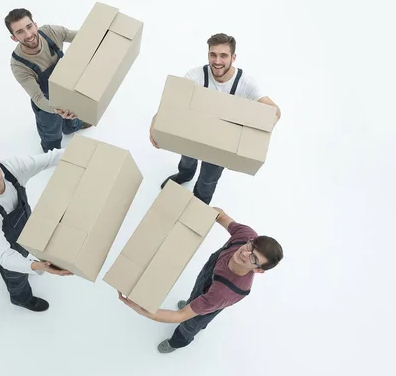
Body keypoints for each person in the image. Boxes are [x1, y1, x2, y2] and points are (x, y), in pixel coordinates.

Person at [118, 207, 283, 353]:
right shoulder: (246, 236)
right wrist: (196, 212)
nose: (245, 253)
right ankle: (194, 304)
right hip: (209, 278)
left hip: (215, 294)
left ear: (258, 270)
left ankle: (177, 342)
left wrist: (141, 309)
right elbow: (220, 215)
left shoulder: (223, 293)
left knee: (190, 324)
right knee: (195, 296)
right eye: (250, 247)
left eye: (253, 258)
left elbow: (180, 315)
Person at [149, 33, 282, 205]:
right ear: (208, 54)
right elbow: (172, 101)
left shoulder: (246, 83)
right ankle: (185, 175)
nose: (217, 61)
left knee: (207, 180)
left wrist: (260, 133)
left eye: (223, 56)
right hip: (193, 132)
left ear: (233, 57)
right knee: (187, 161)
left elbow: (274, 110)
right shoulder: (196, 75)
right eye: (213, 55)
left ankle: (198, 205)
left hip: (221, 144)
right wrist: (155, 122)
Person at [0, 145, 73, 312]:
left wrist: (86, 155)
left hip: (28, 231)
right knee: (15, 277)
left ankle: (26, 265)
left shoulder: (12, 168)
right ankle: (21, 299)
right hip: (9, 247)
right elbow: (5, 255)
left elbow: (52, 158)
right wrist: (39, 267)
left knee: (27, 257)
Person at [6, 8, 92, 153]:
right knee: (51, 133)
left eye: (29, 27)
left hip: (64, 85)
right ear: (14, 38)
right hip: (45, 101)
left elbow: (82, 37)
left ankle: (71, 127)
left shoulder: (52, 32)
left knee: (72, 117)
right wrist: (57, 110)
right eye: (20, 32)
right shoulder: (18, 65)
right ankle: (50, 149)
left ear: (35, 24)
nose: (28, 35)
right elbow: (38, 97)